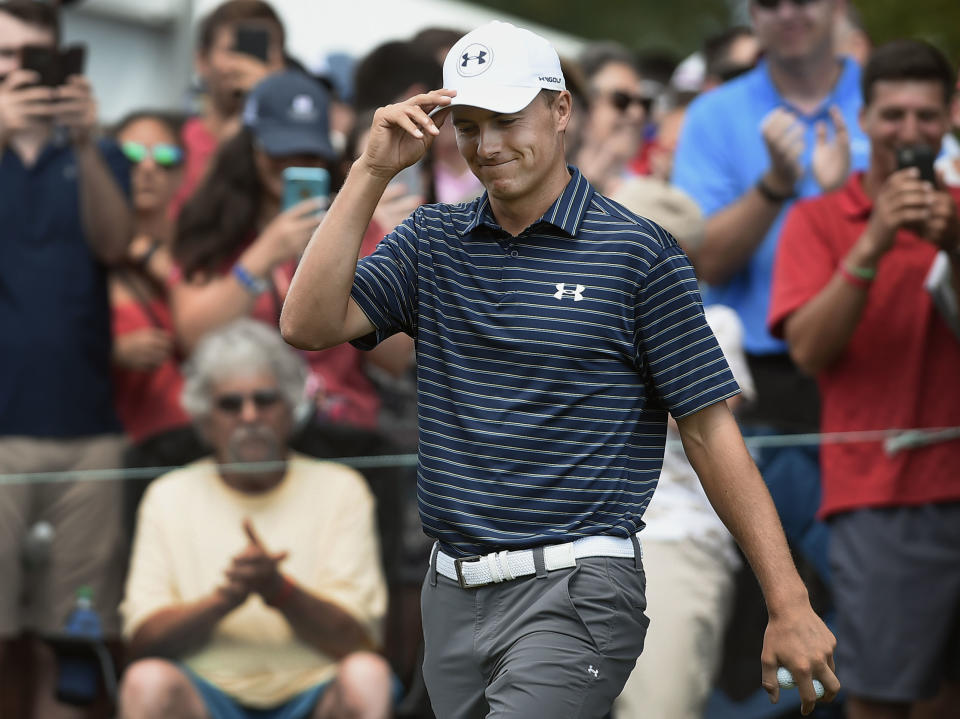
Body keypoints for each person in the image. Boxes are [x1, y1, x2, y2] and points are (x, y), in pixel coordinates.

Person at [281, 20, 839, 718]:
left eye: (507, 121)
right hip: (450, 590)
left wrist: (788, 602)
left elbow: (707, 430)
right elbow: (305, 324)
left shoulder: (638, 251)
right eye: (469, 125)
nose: (487, 146)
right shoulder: (430, 239)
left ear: (561, 109)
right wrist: (368, 172)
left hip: (579, 585)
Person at [768, 39, 960, 719]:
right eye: (893, 115)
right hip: (881, 495)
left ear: (951, 117)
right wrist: (874, 242)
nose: (910, 132)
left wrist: (954, 244)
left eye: (926, 116)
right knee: (880, 698)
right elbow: (810, 351)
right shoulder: (817, 220)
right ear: (866, 116)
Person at [672, 0, 869, 583]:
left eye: (802, 0)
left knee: (868, 585)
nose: (786, 14)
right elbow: (702, 258)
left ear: (837, 6)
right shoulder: (714, 114)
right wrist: (775, 185)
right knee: (762, 590)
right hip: (753, 382)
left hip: (867, 372)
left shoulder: (888, 100)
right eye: (767, 3)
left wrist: (838, 206)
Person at [118, 318, 392, 719]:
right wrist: (225, 599)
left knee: (368, 675)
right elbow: (142, 644)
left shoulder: (342, 488)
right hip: (204, 696)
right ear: (204, 418)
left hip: (313, 695)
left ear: (291, 407)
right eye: (230, 404)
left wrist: (279, 590)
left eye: (265, 400)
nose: (249, 416)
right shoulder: (167, 495)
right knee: (146, 681)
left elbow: (360, 641)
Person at [0, 2, 133, 717]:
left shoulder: (95, 150)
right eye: (5, 54)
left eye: (32, 56)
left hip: (86, 429)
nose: (18, 70)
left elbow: (115, 245)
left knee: (74, 647)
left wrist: (85, 145)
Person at [172, 69, 383, 431]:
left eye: (309, 154)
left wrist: (349, 243)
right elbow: (193, 339)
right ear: (251, 148)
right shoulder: (212, 227)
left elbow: (394, 359)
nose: (293, 163)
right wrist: (263, 255)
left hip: (341, 426)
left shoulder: (358, 226)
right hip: (243, 427)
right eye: (279, 150)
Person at [614, 306, 754, 719]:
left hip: (666, 534)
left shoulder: (716, 320)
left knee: (659, 711)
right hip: (538, 533)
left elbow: (701, 412)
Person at [110, 110, 207, 535]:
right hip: (119, 455)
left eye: (164, 156)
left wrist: (154, 259)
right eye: (131, 155)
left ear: (182, 171)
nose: (147, 167)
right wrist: (113, 351)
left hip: (198, 449)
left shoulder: (202, 253)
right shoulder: (85, 253)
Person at [171, 0, 286, 214]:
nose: (248, 63)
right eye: (235, 49)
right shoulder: (173, 143)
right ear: (202, 60)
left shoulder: (297, 148)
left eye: (261, 49)